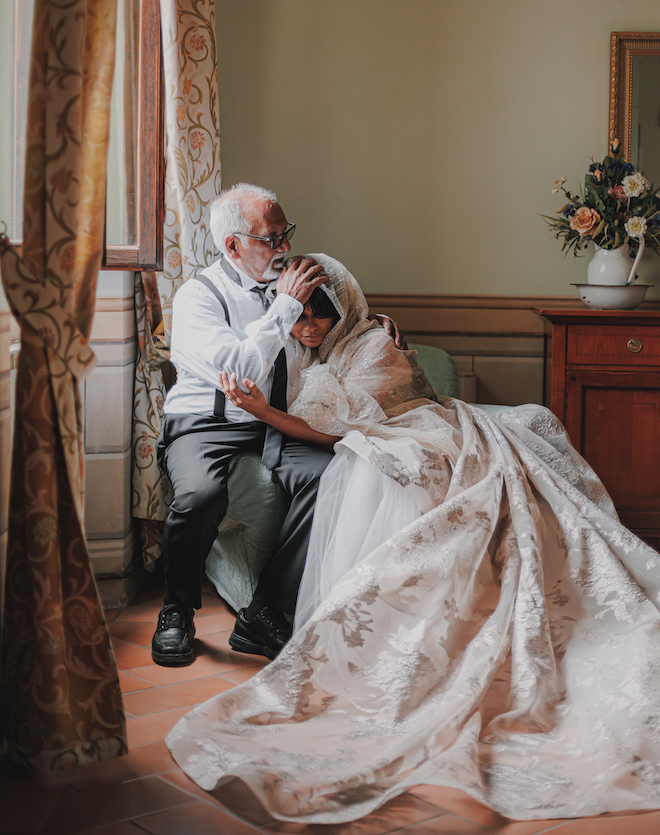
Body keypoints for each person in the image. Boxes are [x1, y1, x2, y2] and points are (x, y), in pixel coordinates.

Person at [166, 254, 660, 824]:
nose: (302, 328)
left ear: (340, 311)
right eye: (296, 316)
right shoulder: (299, 340)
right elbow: (286, 371)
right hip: (274, 427)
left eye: (313, 318)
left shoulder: (373, 343)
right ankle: (272, 613)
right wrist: (267, 392)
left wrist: (264, 410)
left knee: (417, 484)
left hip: (416, 431)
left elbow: (336, 429)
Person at [152, 184, 333, 666]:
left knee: (331, 475)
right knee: (201, 496)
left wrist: (375, 322)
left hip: (277, 421)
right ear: (233, 246)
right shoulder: (198, 298)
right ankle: (176, 610)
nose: (284, 249)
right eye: (271, 239)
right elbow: (240, 372)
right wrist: (285, 308)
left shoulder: (290, 284)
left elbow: (333, 328)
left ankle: (265, 611)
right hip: (206, 422)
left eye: (284, 234)